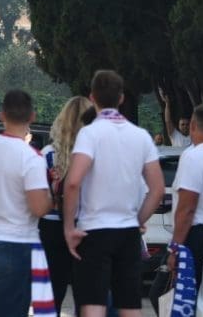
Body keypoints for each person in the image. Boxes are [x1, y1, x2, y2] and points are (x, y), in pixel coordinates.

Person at [64, 70, 164, 317]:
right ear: (121, 98)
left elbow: (73, 182)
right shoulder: (141, 136)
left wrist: (69, 228)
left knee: (93, 304)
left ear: (92, 97)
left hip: (94, 230)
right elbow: (157, 189)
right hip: (128, 232)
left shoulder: (89, 134)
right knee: (130, 305)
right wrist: (137, 220)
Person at [0, 90, 51, 316]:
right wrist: (52, 198)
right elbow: (38, 207)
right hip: (15, 242)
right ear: (32, 116)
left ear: (1, 115)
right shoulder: (31, 157)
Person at [37, 95, 93, 313]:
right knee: (87, 294)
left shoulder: (48, 154)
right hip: (86, 225)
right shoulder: (95, 154)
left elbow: (39, 195)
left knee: (51, 292)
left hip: (51, 226)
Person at [169, 102, 203, 288]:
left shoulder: (193, 156)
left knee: (183, 296)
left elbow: (187, 208)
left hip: (195, 237)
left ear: (193, 125)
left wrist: (175, 248)